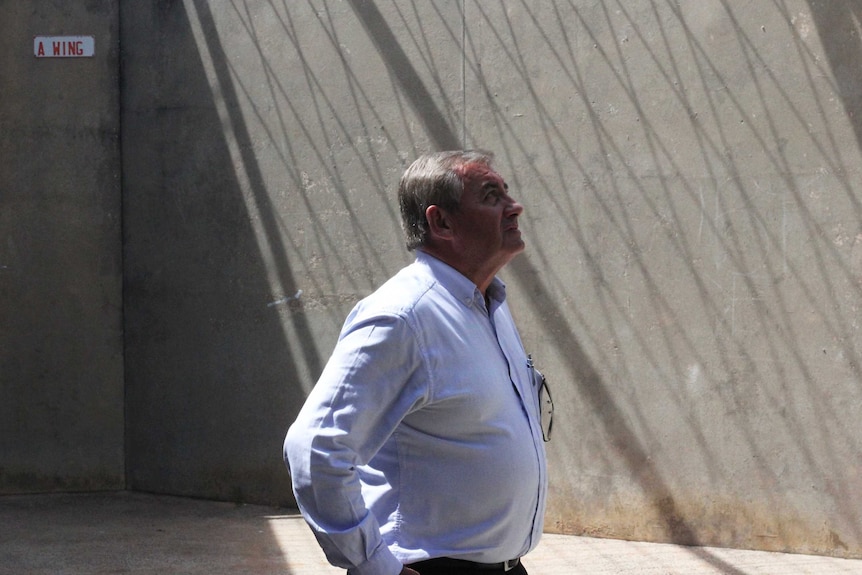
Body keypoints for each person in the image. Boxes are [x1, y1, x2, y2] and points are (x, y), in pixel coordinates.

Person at [284, 150, 548, 575]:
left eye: (507, 192)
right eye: (491, 195)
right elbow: (314, 449)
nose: (513, 206)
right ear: (441, 222)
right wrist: (375, 566)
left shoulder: (488, 305)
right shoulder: (403, 317)